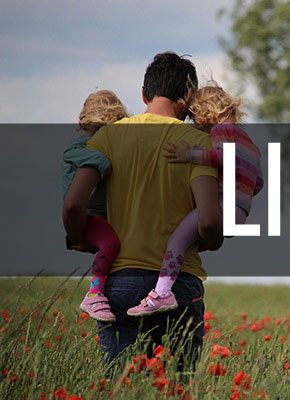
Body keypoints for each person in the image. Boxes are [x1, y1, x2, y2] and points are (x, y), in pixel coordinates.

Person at [63, 52, 223, 370]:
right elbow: (209, 220)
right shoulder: (197, 144)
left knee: (122, 385)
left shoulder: (108, 137)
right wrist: (211, 240)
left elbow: (73, 203)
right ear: (188, 97)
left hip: (119, 282)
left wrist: (80, 237)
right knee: (178, 387)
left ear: (143, 94)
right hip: (179, 284)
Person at [127, 83, 263, 317]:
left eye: (195, 116)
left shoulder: (221, 131)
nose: (195, 123)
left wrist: (188, 155)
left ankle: (162, 293)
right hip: (240, 213)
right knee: (191, 240)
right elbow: (258, 183)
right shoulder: (251, 144)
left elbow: (222, 156)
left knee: (176, 241)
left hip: (222, 206)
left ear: (209, 111)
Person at [62, 90, 128, 322]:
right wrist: (103, 162)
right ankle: (94, 293)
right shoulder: (81, 146)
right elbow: (76, 156)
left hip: (102, 215)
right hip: (89, 215)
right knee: (110, 243)